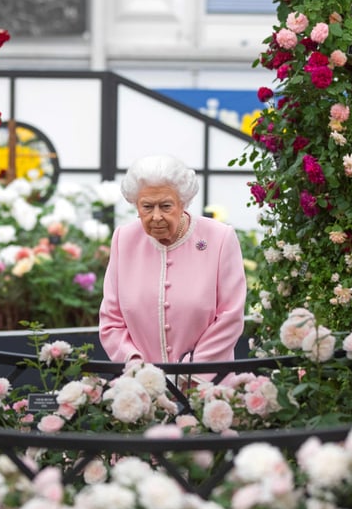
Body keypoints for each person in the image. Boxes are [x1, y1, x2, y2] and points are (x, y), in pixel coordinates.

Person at [99, 155, 247, 372]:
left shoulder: (220, 238)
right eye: (147, 207)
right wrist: (138, 369)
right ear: (136, 206)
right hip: (143, 388)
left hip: (207, 384)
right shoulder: (124, 239)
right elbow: (111, 320)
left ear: (182, 202)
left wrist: (190, 372)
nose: (156, 216)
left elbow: (230, 317)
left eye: (166, 206)